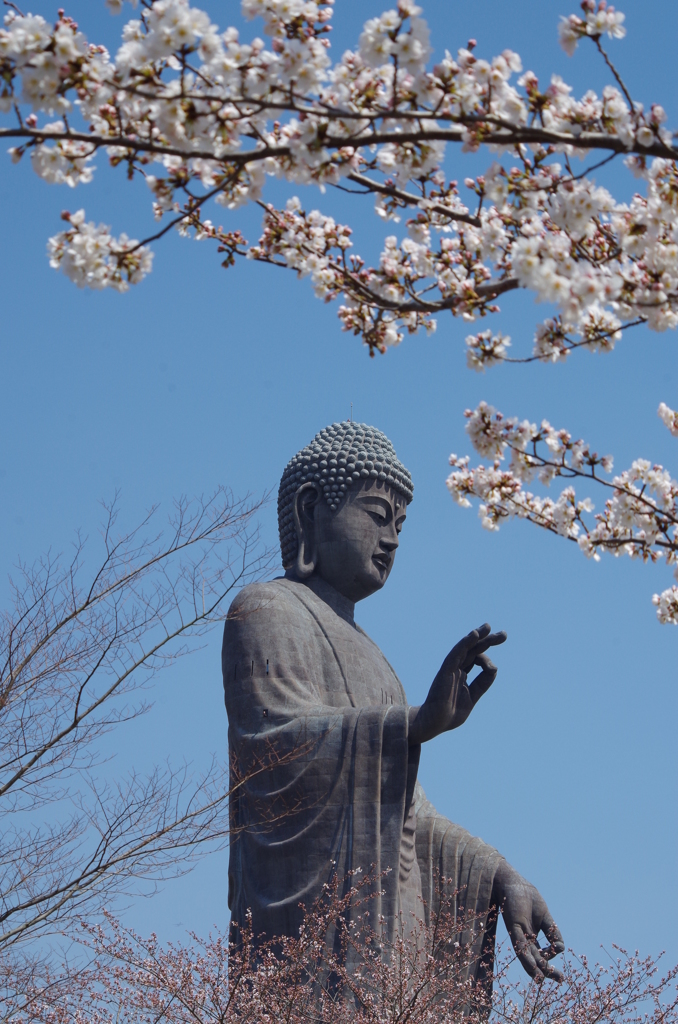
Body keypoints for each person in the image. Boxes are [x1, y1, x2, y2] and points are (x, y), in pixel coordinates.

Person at [223, 421, 563, 987]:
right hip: (316, 943)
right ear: (310, 509)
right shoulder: (266, 609)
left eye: (401, 524)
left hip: (388, 935)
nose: (393, 539)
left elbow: (412, 816)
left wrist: (500, 875)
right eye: (378, 516)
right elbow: (276, 744)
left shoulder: (379, 663)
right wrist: (415, 724)